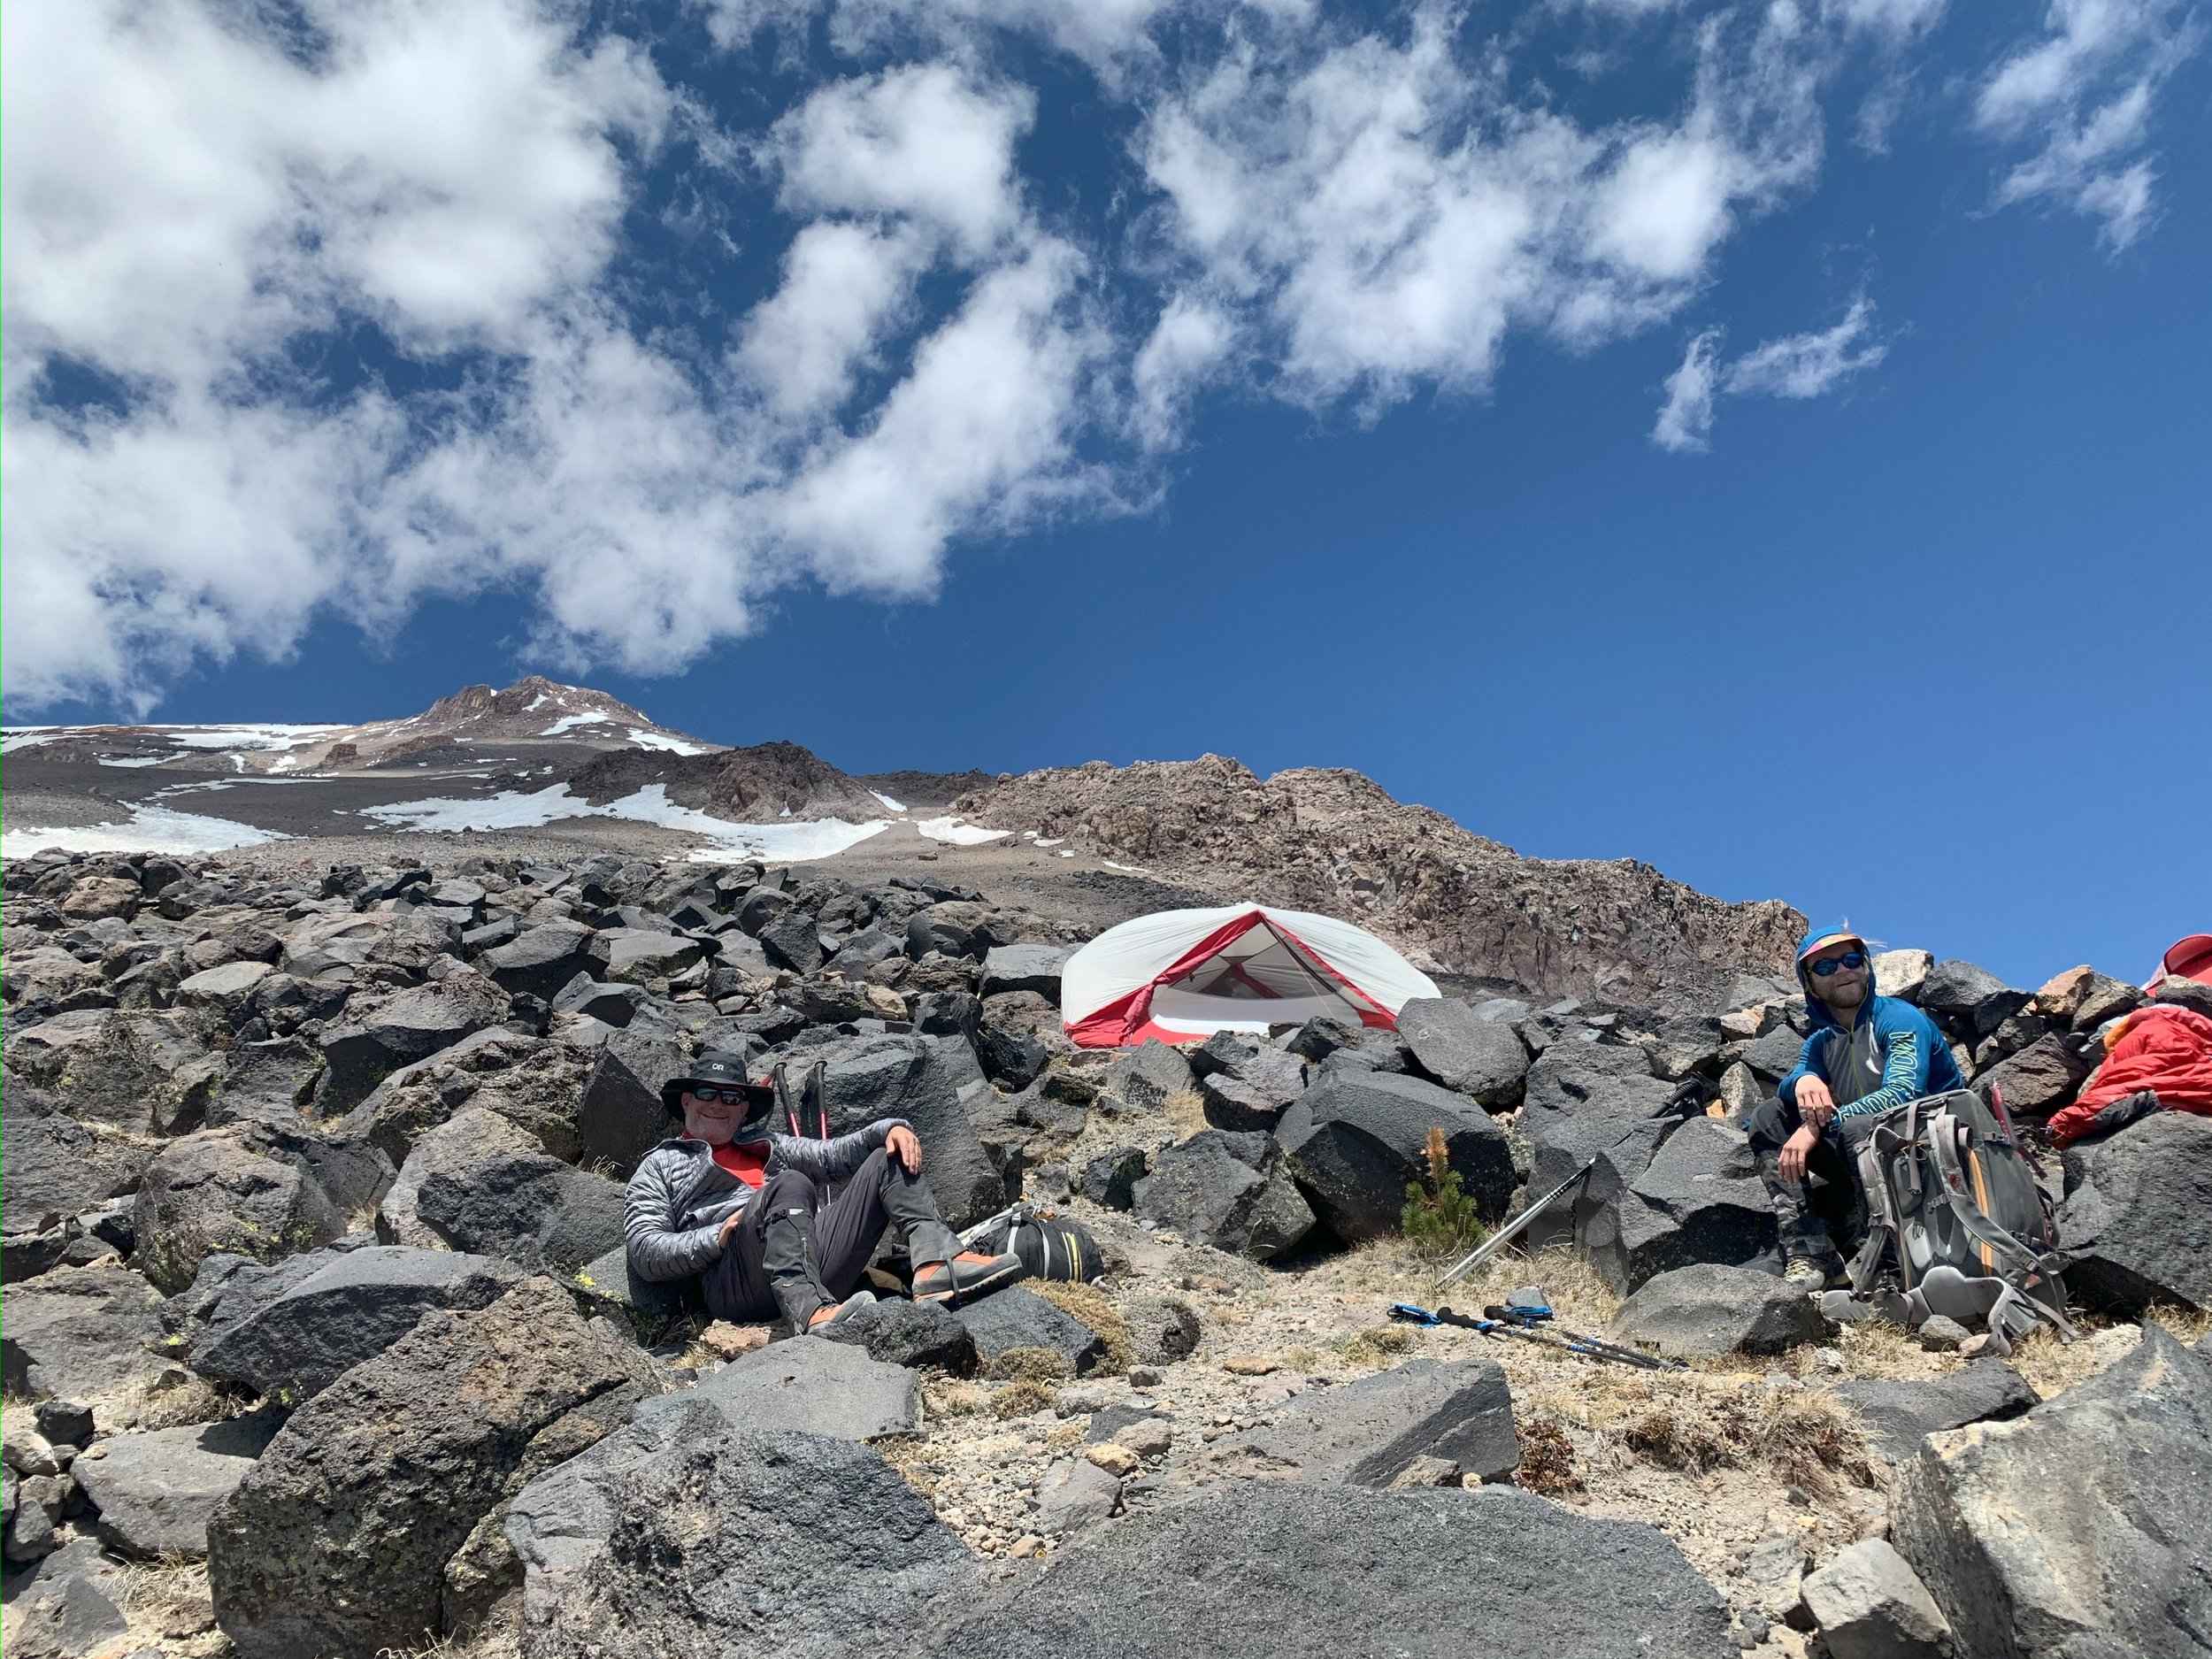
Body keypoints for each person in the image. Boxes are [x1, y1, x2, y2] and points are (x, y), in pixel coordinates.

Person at [624, 1051, 1027, 1333]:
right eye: (708, 1094)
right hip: (736, 1283)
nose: (719, 1104)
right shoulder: (661, 1164)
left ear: (744, 1109)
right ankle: (808, 1314)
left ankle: (936, 1264)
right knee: (794, 1182)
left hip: (813, 1259)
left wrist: (890, 1128)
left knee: (887, 1155)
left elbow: (835, 1156)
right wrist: (716, 1236)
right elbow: (645, 1251)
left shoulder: (770, 1145)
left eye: (731, 1097)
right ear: (688, 1100)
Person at [1746, 926, 1966, 1290]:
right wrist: (1804, 1081)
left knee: (1859, 1127)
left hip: (1935, 1152)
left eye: (1851, 960)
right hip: (1867, 1154)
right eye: (1826, 967)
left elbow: (1901, 1094)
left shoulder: (1899, 1018)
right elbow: (1791, 1084)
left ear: (1865, 966)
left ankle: (1882, 1258)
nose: (1843, 970)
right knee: (1769, 1116)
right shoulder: (1822, 1041)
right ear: (1810, 984)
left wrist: (1815, 1127)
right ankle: (1809, 1251)